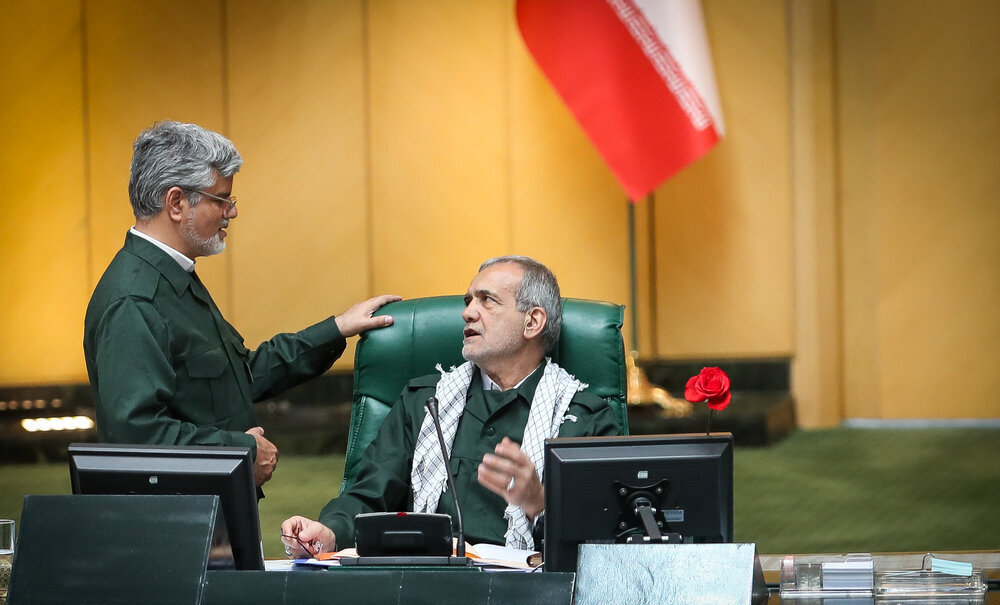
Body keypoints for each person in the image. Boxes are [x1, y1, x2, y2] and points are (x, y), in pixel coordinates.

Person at [83, 120, 400, 487]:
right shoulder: (134, 298)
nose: (231, 212)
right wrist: (242, 450)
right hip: (178, 517)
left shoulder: (170, 277)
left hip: (204, 508)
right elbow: (138, 438)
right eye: (221, 199)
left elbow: (239, 377)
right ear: (176, 203)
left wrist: (337, 328)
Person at [281, 256, 620, 557]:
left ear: (532, 322)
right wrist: (329, 532)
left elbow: (606, 540)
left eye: (487, 300)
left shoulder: (584, 420)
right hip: (429, 583)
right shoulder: (424, 401)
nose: (467, 312)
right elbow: (369, 497)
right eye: (468, 301)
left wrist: (540, 503)